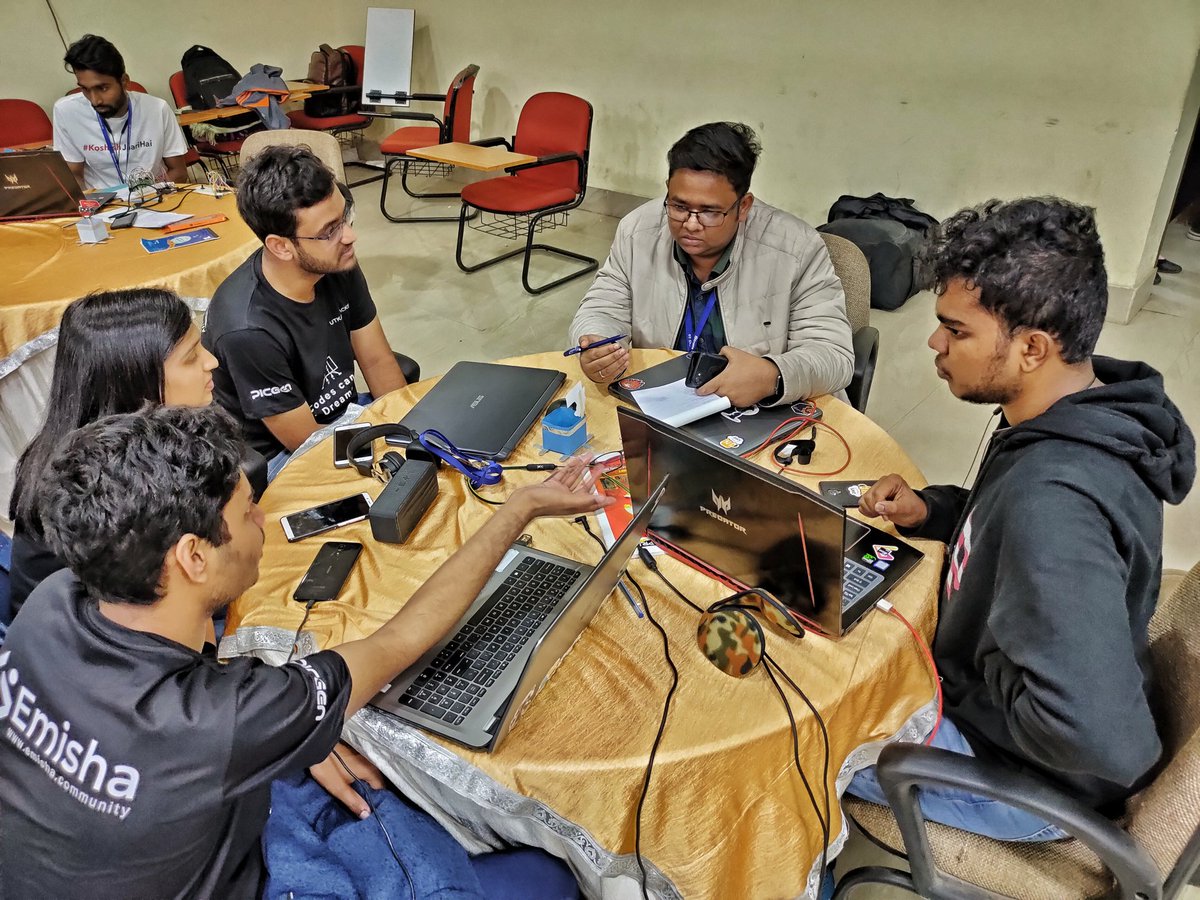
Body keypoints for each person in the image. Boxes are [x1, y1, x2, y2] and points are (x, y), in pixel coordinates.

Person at [0, 404, 606, 897]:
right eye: (247, 510)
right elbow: (399, 641)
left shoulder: (54, 600)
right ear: (192, 555)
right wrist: (522, 507)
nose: (264, 520)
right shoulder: (220, 721)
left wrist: (288, 736)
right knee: (545, 877)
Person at [848, 197, 1196, 840]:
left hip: (1022, 779)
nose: (934, 343)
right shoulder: (1077, 413)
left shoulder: (1054, 507)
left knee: (788, 744)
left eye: (957, 331)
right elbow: (1003, 526)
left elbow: (1105, 741)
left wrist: (967, 680)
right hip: (1005, 723)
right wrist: (935, 510)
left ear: (1032, 347)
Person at [569, 122, 854, 408]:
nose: (691, 224)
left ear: (743, 206)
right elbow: (602, 307)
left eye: (710, 212)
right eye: (679, 206)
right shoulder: (637, 231)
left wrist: (772, 374)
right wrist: (599, 344)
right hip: (667, 401)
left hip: (761, 408)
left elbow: (833, 355)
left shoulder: (797, 248)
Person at [203, 145, 412, 473]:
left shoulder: (335, 262)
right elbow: (308, 443)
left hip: (339, 418)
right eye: (329, 231)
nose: (349, 235)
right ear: (281, 246)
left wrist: (407, 437)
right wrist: (389, 461)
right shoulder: (247, 330)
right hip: (281, 455)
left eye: (345, 216)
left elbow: (377, 360)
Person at [52, 34, 189, 190]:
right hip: (103, 201)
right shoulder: (66, 111)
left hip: (155, 194)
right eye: (85, 89)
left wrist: (147, 196)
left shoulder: (157, 109)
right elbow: (73, 177)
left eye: (103, 88)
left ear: (124, 81)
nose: (95, 100)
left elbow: (178, 172)